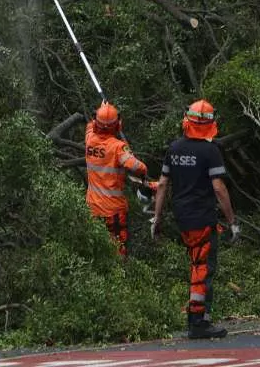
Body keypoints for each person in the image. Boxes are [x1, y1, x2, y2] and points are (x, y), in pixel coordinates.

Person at [151, 99, 237, 340]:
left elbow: (163, 184)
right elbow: (219, 189)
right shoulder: (210, 151)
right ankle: (198, 322)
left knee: (197, 265)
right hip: (201, 216)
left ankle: (197, 317)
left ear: (186, 120)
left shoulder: (174, 148)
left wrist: (156, 218)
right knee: (202, 268)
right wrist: (232, 221)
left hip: (182, 217)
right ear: (211, 123)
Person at [85, 101, 150, 258]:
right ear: (118, 125)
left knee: (96, 250)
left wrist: (102, 110)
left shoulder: (90, 140)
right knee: (117, 250)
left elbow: (89, 127)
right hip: (113, 211)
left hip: (92, 208)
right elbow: (140, 168)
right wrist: (130, 153)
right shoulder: (118, 148)